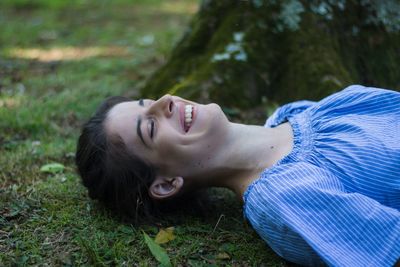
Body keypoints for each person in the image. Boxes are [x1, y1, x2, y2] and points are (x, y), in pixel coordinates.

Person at [76, 84, 400, 266]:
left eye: (148, 102)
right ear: (165, 183)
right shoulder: (285, 196)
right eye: (150, 126)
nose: (165, 102)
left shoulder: (294, 113)